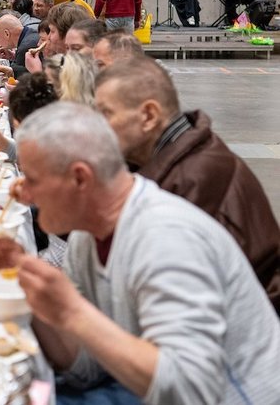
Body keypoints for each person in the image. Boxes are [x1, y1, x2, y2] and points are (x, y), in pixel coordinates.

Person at [0, 102, 280, 404]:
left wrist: (72, 311)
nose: (21, 193)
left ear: (80, 178)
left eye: (31, 179)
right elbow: (88, 367)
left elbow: (191, 389)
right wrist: (28, 286)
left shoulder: (165, 237)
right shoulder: (86, 236)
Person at [95, 57, 280, 311]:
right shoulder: (175, 157)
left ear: (149, 116)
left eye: (106, 113)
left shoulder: (191, 180)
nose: (97, 126)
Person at [0, 12, 38, 79]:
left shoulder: (25, 47)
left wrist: (11, 71)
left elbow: (22, 79)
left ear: (7, 34)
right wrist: (13, 56)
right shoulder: (29, 32)